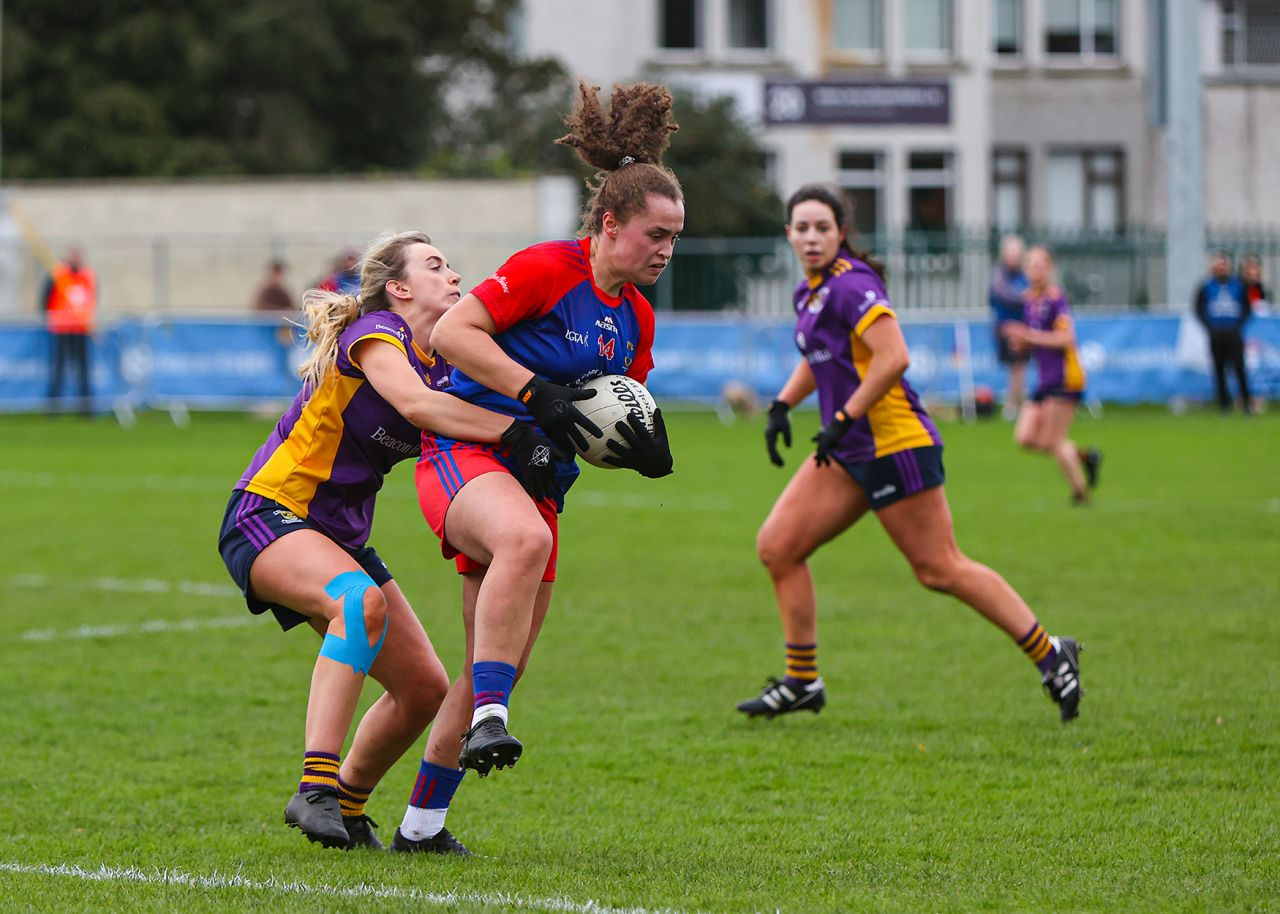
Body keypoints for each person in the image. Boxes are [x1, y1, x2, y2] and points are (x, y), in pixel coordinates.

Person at [397, 81, 678, 838]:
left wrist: (642, 449)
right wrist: (532, 393)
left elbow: (607, 417)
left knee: (501, 660)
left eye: (674, 237)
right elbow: (452, 334)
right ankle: (491, 719)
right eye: (655, 234)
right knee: (525, 543)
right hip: (463, 452)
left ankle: (414, 824)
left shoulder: (636, 318)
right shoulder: (550, 267)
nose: (665, 250)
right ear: (612, 224)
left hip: (538, 480)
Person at [216, 231, 557, 853]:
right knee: (358, 603)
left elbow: (469, 405)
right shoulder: (377, 332)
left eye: (452, 264)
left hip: (339, 537)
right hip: (269, 512)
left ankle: (346, 806)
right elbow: (415, 404)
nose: (453, 275)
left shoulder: (444, 364)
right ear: (398, 289)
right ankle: (313, 786)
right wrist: (513, 433)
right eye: (435, 265)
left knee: (425, 689)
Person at [738, 184, 1083, 725]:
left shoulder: (853, 285)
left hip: (893, 443)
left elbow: (892, 358)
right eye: (801, 228)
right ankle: (802, 680)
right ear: (788, 234)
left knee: (939, 567)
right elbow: (821, 356)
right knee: (778, 548)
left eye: (822, 228)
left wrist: (846, 415)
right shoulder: (809, 292)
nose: (810, 237)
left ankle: (1050, 652)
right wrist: (782, 404)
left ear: (841, 233)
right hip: (848, 445)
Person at [1004, 246, 1102, 505]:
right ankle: (1084, 456)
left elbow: (1065, 339)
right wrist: (1023, 343)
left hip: (1065, 377)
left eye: (1040, 265)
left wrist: (1027, 336)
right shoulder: (1029, 300)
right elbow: (1037, 338)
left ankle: (1081, 493)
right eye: (1031, 265)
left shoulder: (1056, 300)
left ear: (1049, 269)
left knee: (1055, 441)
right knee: (1025, 437)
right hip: (1045, 379)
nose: (1035, 271)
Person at [1193, 251, 1253, 413]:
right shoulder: (1206, 286)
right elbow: (1198, 308)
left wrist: (1239, 324)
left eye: (1223, 264)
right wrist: (1209, 326)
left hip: (1234, 332)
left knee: (1239, 367)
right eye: (1218, 264)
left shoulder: (1238, 285)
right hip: (1216, 333)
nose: (1221, 268)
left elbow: (1247, 307)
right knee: (1218, 369)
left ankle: (1246, 403)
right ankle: (1224, 404)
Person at [42, 246, 96, 415]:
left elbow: (91, 300)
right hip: (62, 328)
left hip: (81, 328)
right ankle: (53, 408)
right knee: (59, 369)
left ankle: (86, 408)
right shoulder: (59, 275)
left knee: (83, 369)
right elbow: (46, 299)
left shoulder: (87, 276)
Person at [988, 234, 1030, 419]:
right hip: (1005, 329)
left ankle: (1016, 404)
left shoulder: (1024, 274)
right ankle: (1013, 405)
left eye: (1017, 253)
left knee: (1019, 367)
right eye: (1011, 252)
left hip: (1025, 329)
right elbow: (1003, 295)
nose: (1014, 257)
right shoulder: (999, 275)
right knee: (1015, 367)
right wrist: (1025, 296)